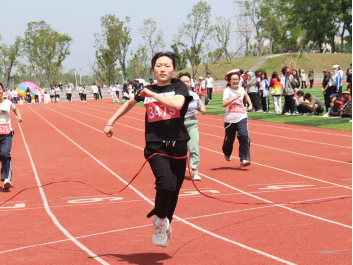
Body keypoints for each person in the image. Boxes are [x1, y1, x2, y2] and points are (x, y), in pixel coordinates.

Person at [104, 52, 193, 247]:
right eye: (159, 65)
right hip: (155, 145)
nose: (163, 69)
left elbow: (177, 104)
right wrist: (111, 121)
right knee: (166, 184)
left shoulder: (178, 87)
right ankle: (161, 222)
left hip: (178, 144)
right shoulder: (147, 89)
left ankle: (164, 221)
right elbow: (129, 103)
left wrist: (152, 95)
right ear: (153, 68)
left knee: (174, 191)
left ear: (174, 70)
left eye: (167, 65)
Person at [222, 69, 253, 167]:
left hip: (242, 117)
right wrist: (235, 97)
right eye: (233, 79)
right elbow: (224, 103)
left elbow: (246, 96)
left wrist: (250, 104)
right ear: (229, 81)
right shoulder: (227, 91)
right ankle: (227, 152)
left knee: (244, 136)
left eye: (237, 79)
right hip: (230, 119)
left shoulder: (241, 89)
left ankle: (244, 159)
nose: (235, 81)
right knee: (230, 140)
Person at [179, 72, 206, 181]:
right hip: (179, 124)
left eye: (187, 81)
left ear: (191, 83)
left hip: (192, 123)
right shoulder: (175, 95)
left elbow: (201, 106)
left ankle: (195, 171)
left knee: (193, 147)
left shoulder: (194, 95)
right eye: (183, 82)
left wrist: (202, 109)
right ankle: (176, 171)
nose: (185, 83)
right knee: (179, 149)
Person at [0, 83, 22, 190]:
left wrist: (19, 116)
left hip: (7, 133)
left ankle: (6, 179)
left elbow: (16, 109)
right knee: (1, 156)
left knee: (5, 153)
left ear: (2, 91)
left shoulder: (8, 103)